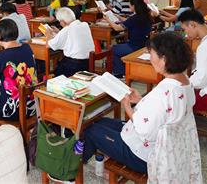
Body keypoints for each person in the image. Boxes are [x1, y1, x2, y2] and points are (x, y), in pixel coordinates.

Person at [83, 32, 196, 174]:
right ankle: (92, 157)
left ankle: (72, 171)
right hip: (165, 146)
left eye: (152, 54)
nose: (150, 58)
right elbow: (167, 111)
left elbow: (144, 131)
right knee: (100, 122)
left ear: (164, 59)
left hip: (144, 156)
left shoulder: (162, 92)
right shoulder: (185, 81)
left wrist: (127, 106)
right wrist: (140, 100)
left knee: (90, 130)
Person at [104, 0, 152, 77]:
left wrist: (108, 19)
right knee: (119, 46)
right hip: (144, 44)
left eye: (130, 4)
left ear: (134, 6)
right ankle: (123, 71)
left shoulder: (135, 18)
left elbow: (117, 28)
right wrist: (119, 17)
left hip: (134, 46)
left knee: (113, 49)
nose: (129, 6)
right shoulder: (146, 15)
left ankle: (119, 73)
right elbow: (129, 21)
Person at [46, 7, 95, 77]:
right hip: (87, 63)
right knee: (60, 64)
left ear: (63, 22)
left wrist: (48, 35)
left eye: (59, 21)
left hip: (74, 66)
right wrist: (59, 32)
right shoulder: (84, 24)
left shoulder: (67, 29)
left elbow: (48, 45)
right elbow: (73, 36)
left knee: (56, 72)